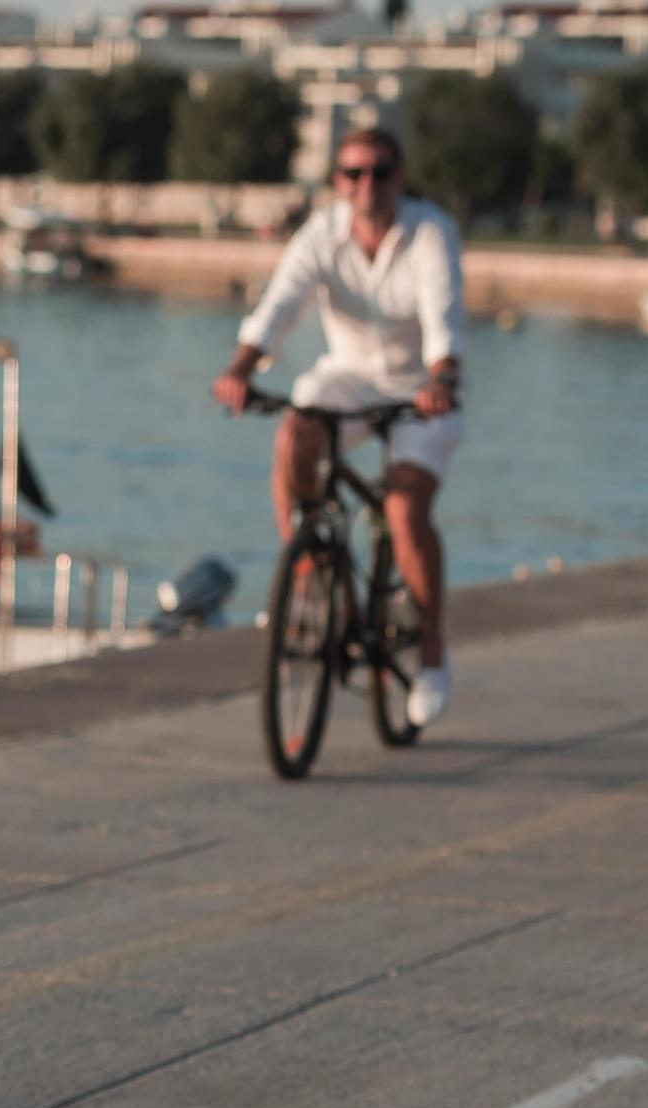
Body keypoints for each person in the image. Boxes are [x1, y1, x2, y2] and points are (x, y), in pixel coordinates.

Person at [213, 122, 466, 725]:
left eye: (380, 172)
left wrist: (442, 379)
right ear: (337, 182)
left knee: (405, 510)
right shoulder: (322, 234)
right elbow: (280, 304)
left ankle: (430, 651)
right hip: (348, 375)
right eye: (354, 173)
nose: (367, 184)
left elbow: (443, 313)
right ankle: (307, 568)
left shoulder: (429, 232)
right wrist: (240, 369)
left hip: (422, 388)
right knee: (293, 435)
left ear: (399, 179)